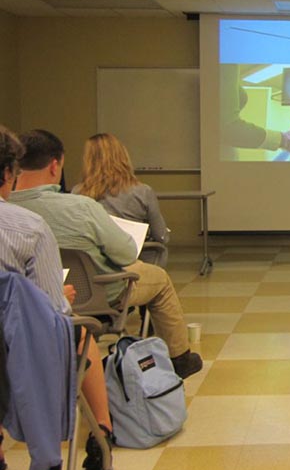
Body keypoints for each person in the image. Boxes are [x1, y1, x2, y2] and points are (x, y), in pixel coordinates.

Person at [10, 130, 203, 379]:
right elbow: (125, 253)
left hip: (31, 299)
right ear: (55, 165)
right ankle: (180, 358)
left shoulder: (11, 210)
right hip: (99, 291)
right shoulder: (80, 207)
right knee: (160, 279)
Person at [0, 126, 113, 470]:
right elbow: (54, 313)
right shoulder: (28, 227)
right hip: (16, 347)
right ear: (8, 174)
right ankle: (104, 435)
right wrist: (44, 297)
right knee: (79, 330)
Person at [73, 133, 169, 267]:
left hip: (94, 266)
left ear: (88, 160)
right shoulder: (142, 191)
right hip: (134, 263)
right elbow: (161, 236)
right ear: (122, 156)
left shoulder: (77, 193)